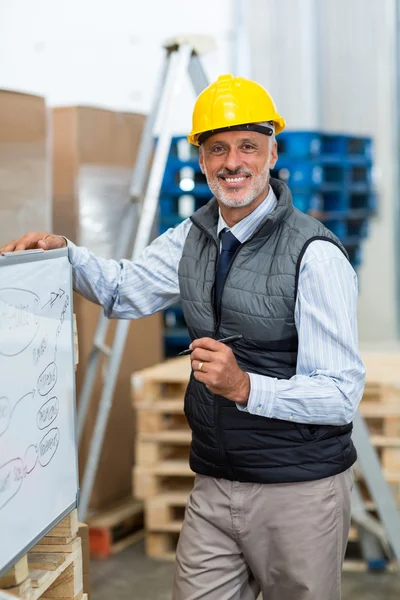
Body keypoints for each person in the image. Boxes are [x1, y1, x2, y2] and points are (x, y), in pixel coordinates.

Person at [2, 74, 365, 600]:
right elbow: (125, 291)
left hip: (298, 490)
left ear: (271, 152)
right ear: (200, 160)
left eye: (247, 146)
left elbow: (339, 395)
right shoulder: (191, 238)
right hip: (214, 481)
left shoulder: (315, 255)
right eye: (217, 149)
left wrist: (245, 386)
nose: (232, 162)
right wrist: (67, 252)